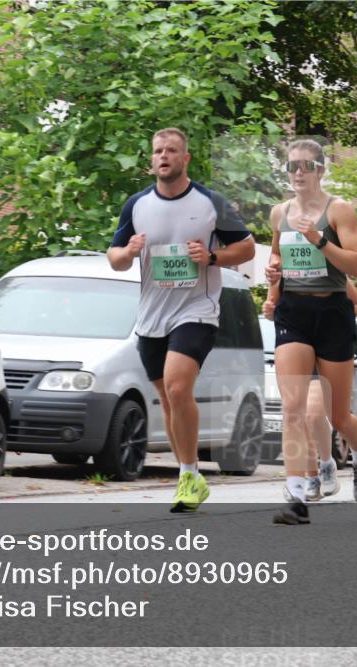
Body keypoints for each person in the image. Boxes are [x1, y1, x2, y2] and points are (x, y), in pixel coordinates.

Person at [107, 128, 255, 512]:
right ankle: (192, 475)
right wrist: (129, 250)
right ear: (151, 159)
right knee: (169, 400)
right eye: (158, 151)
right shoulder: (137, 205)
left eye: (171, 150)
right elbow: (114, 258)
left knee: (176, 387)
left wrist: (212, 258)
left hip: (197, 310)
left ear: (185, 158)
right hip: (152, 316)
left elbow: (247, 246)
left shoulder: (210, 203)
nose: (164, 156)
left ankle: (188, 475)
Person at [265, 139, 357, 525]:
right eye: (292, 166)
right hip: (294, 311)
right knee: (293, 408)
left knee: (337, 413)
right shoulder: (279, 213)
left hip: (332, 311)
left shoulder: (338, 210)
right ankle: (296, 497)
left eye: (306, 166)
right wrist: (272, 284)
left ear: (321, 170)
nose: (297, 173)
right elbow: (277, 255)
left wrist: (320, 240)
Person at [263, 280, 357, 501]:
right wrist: (270, 310)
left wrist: (335, 320)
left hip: (328, 348)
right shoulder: (283, 274)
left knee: (326, 416)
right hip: (298, 346)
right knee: (296, 414)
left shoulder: (330, 273)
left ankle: (353, 457)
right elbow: (272, 308)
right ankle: (308, 479)